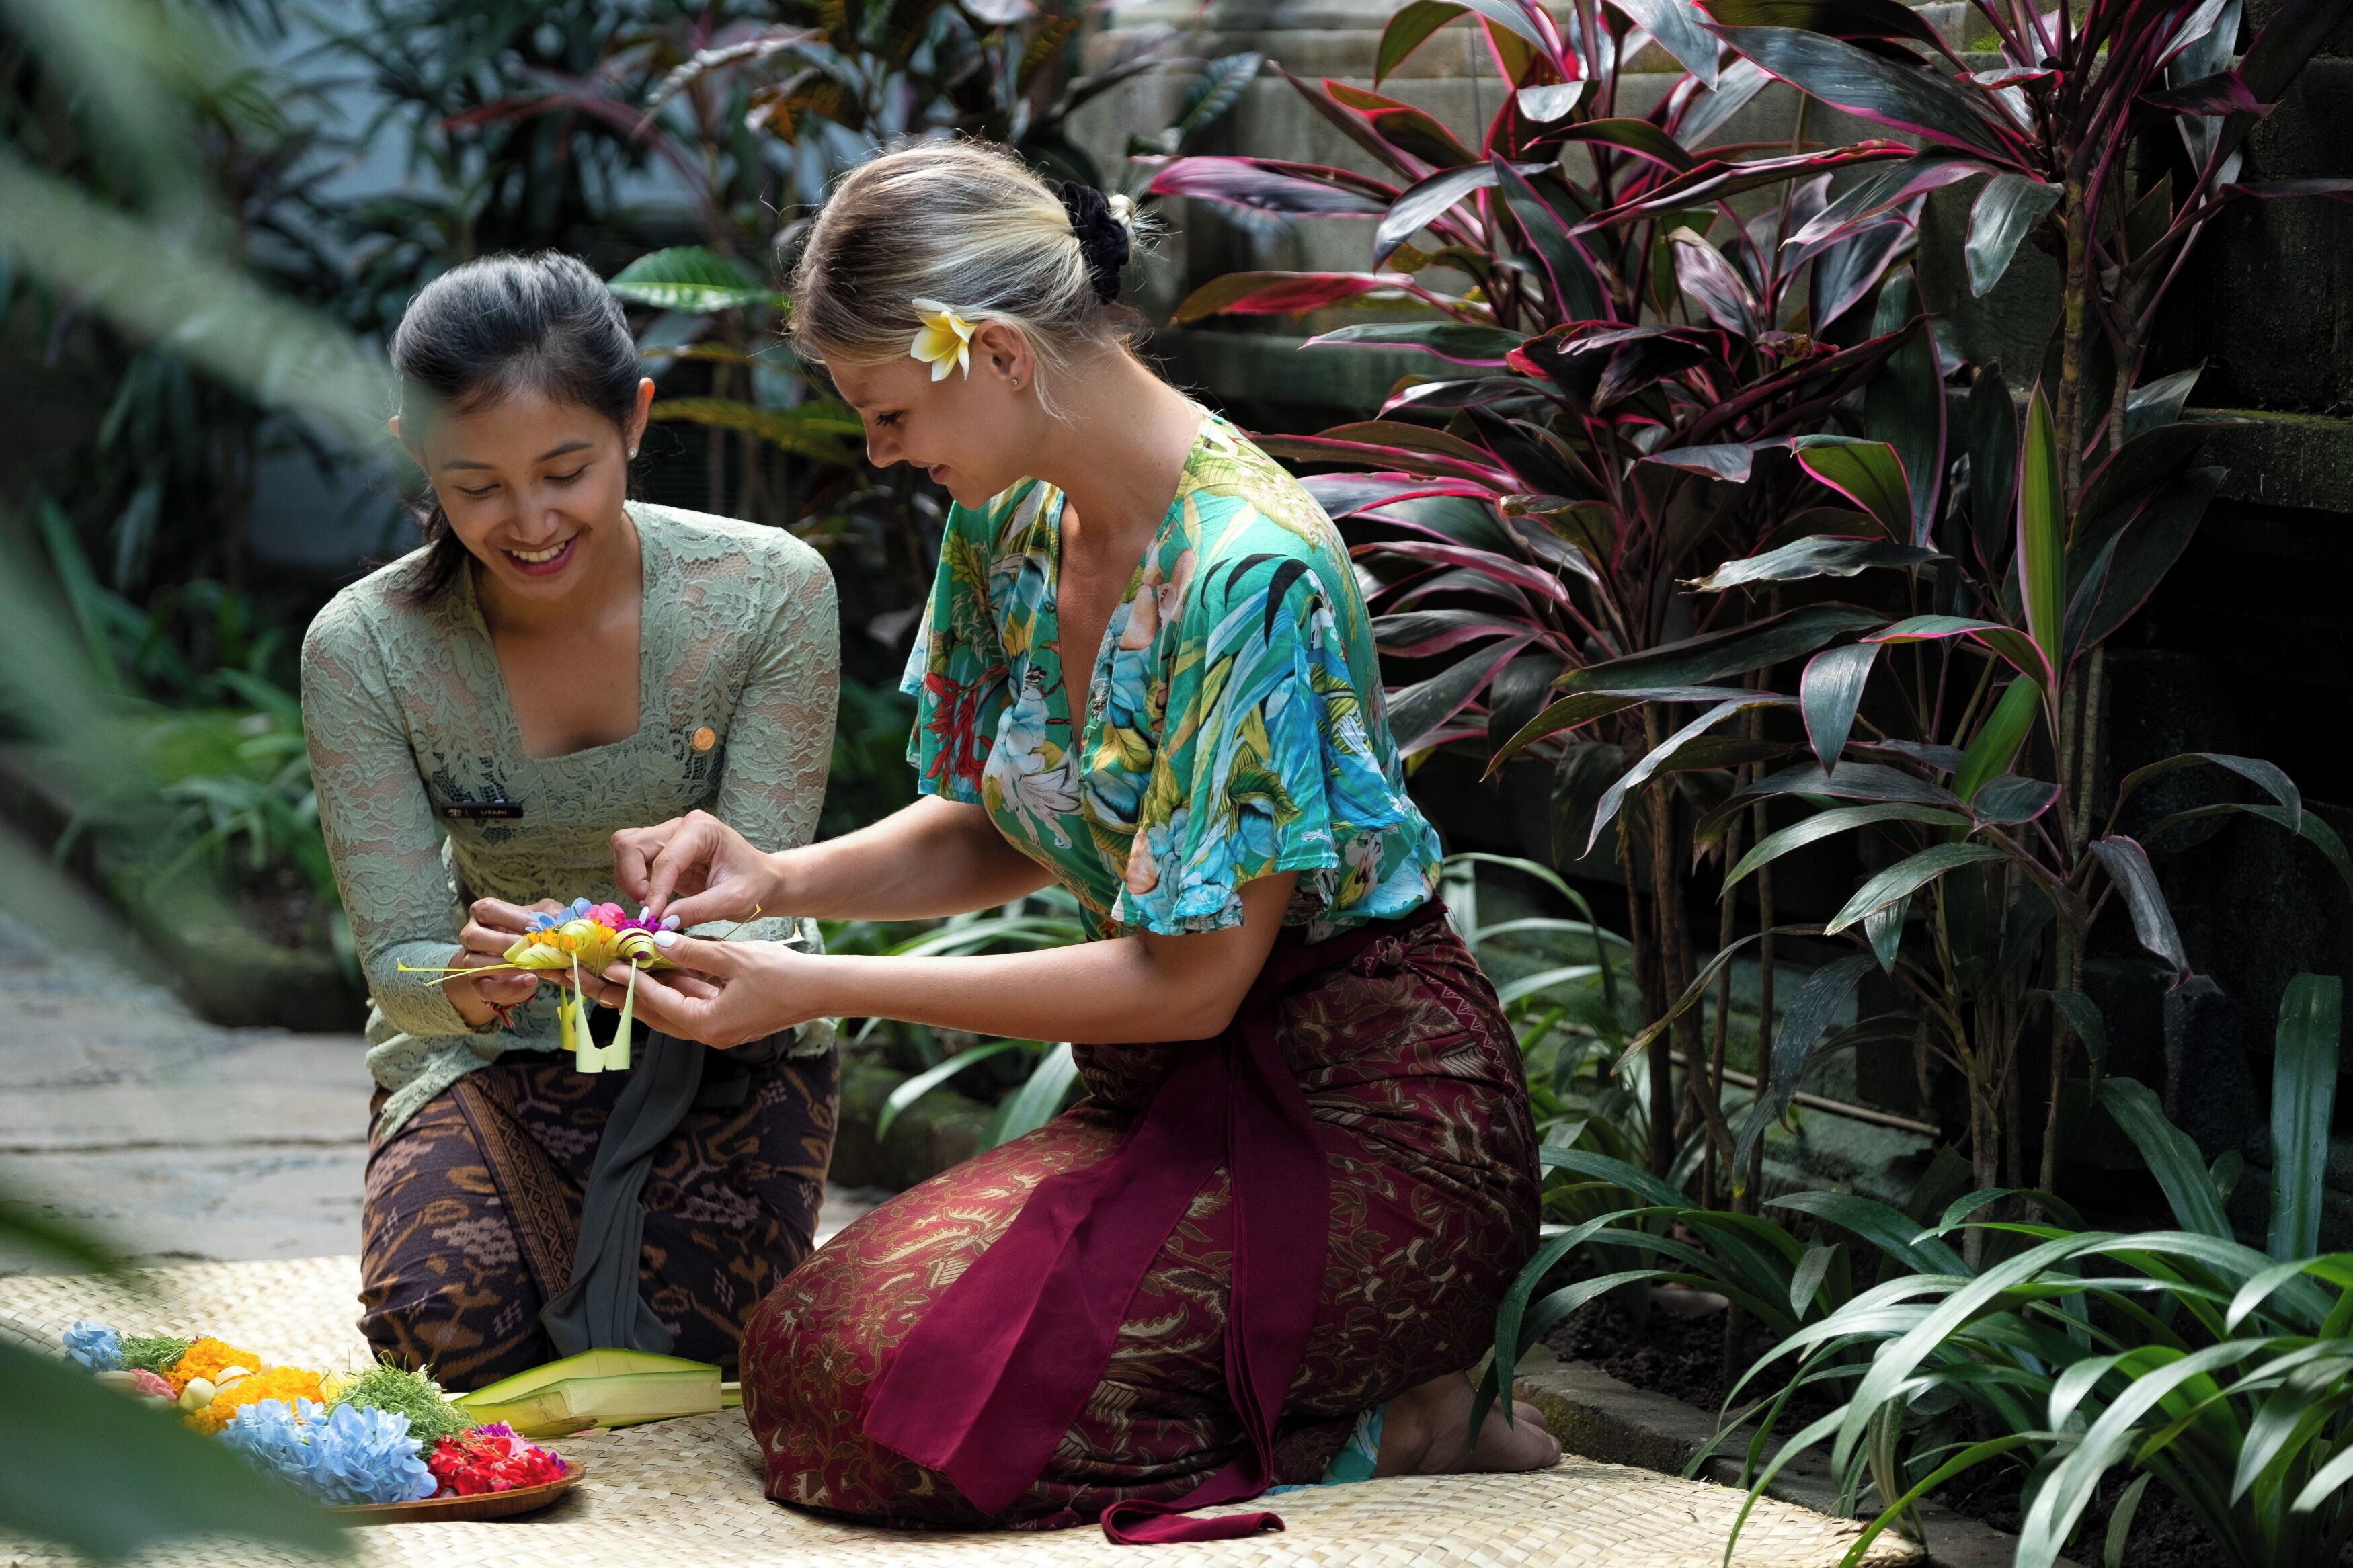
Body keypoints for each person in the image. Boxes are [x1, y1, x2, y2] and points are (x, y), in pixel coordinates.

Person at [578, 142, 1556, 1539]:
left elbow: (1193, 979)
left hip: (1367, 1117)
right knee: (803, 1361)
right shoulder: (1012, 516)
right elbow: (999, 826)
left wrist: (817, 982)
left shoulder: (1248, 569)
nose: (883, 452)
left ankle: (1410, 1412)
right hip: (1155, 1096)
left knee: (908, 1434)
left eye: (890, 410)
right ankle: (1339, 1398)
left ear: (991, 353)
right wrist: (773, 880)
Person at [301, 252, 841, 1390]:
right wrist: (466, 978)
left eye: (565, 470)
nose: (530, 521)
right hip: (487, 1055)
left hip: (721, 1044)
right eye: (477, 485)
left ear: (635, 420)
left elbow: (765, 915)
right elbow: (399, 956)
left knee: (711, 1347)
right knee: (442, 1336)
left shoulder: (769, 594)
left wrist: (659, 950)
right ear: (415, 451)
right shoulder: (364, 650)